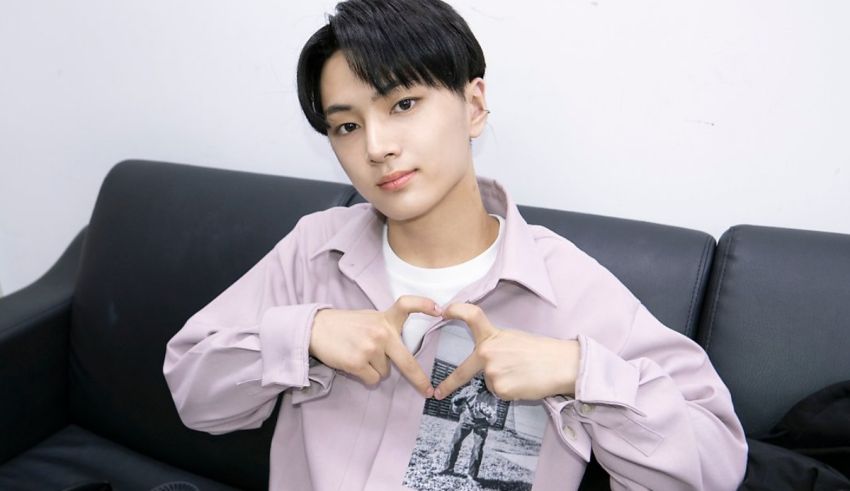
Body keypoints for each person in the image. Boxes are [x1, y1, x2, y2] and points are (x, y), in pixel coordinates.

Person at [163, 0, 748, 489]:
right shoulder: (315, 249)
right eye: (347, 125)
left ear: (472, 106)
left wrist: (578, 371)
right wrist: (306, 335)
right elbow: (195, 396)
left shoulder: (567, 286)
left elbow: (715, 464)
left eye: (403, 105)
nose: (376, 146)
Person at [439, 378, 499, 480]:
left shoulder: (491, 397)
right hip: (466, 418)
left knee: (477, 448)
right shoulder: (467, 390)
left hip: (482, 423)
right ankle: (448, 468)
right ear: (472, 380)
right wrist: (456, 404)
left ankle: (472, 476)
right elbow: (456, 410)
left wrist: (488, 414)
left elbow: (493, 419)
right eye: (477, 379)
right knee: (455, 443)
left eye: (483, 381)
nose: (479, 383)